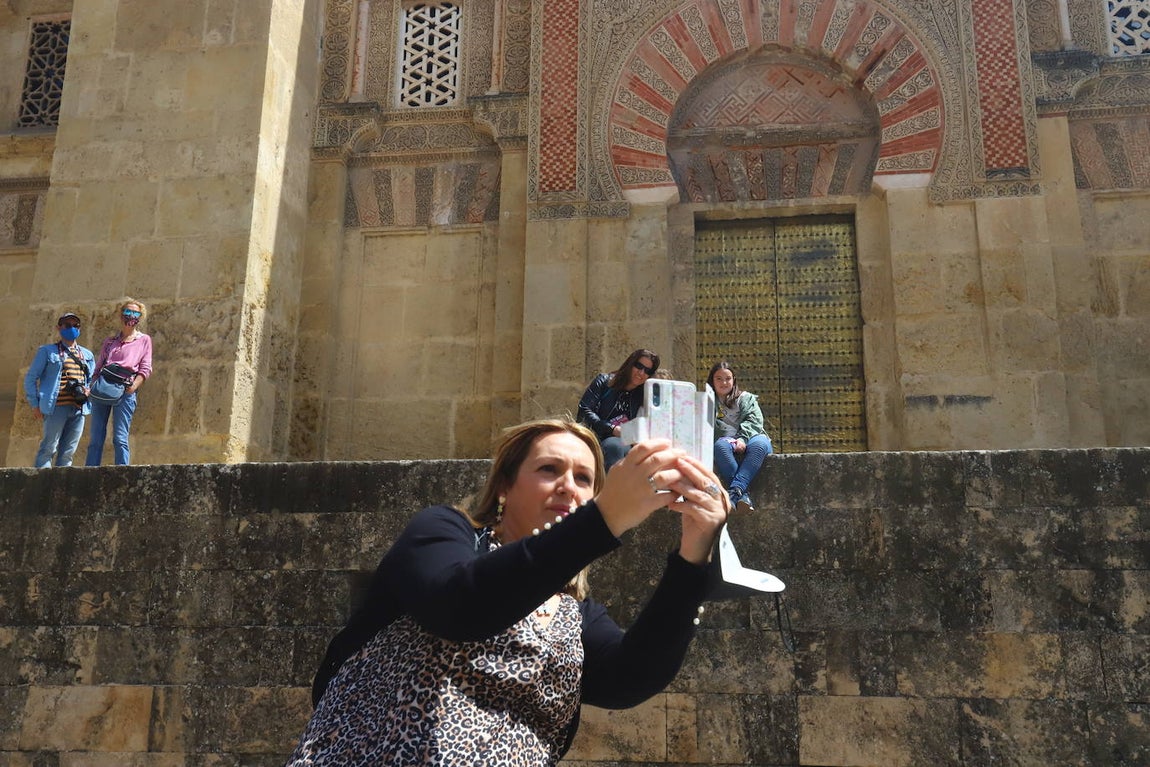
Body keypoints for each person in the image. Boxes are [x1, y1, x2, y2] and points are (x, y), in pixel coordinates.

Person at [290, 418, 730, 766]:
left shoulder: (574, 613)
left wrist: (693, 556)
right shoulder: (445, 532)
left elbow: (629, 679)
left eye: (584, 479)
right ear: (503, 485)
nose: (568, 487)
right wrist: (603, 518)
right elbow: (458, 606)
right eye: (549, 469)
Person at [85, 298, 153, 466]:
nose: (130, 316)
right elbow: (99, 365)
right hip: (103, 388)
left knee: (120, 437)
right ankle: (90, 472)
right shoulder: (110, 341)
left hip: (125, 389)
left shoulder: (144, 340)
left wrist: (134, 386)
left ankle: (122, 472)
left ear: (140, 317)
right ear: (121, 314)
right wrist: (92, 385)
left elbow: (145, 367)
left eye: (135, 313)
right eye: (127, 312)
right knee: (96, 437)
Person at [24, 312, 96, 468]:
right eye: (67, 325)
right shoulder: (47, 351)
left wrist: (88, 391)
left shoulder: (87, 355)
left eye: (75, 325)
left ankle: (60, 489)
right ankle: (42, 486)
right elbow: (30, 378)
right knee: (48, 448)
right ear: (59, 328)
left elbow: (91, 380)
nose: (72, 328)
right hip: (56, 407)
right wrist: (35, 404)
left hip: (79, 408)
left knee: (69, 452)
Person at [707, 360, 773, 513]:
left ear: (734, 380)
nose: (724, 382)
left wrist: (742, 438)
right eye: (719, 378)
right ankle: (741, 495)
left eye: (728, 378)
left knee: (759, 445)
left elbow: (754, 421)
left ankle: (734, 492)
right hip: (726, 440)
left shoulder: (746, 398)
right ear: (712, 380)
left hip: (753, 437)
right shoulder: (708, 403)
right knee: (720, 446)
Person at [577, 348, 659, 467]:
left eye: (647, 371)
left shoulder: (644, 396)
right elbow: (584, 410)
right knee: (613, 446)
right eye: (638, 366)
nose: (641, 373)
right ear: (630, 364)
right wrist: (611, 429)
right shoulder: (605, 381)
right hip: (594, 437)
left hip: (625, 443)